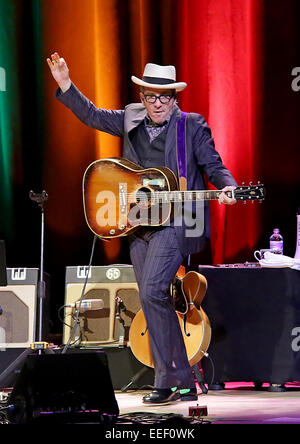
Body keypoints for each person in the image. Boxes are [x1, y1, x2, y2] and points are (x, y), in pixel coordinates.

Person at [47, 52, 237, 404]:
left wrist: (226, 186)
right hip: (137, 223)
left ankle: (166, 382)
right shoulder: (132, 117)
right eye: (151, 96)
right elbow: (92, 115)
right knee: (154, 299)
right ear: (142, 97)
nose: (157, 103)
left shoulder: (190, 125)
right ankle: (183, 380)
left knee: (151, 291)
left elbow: (213, 164)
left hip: (177, 221)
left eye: (164, 97)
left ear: (174, 98)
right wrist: (65, 85)